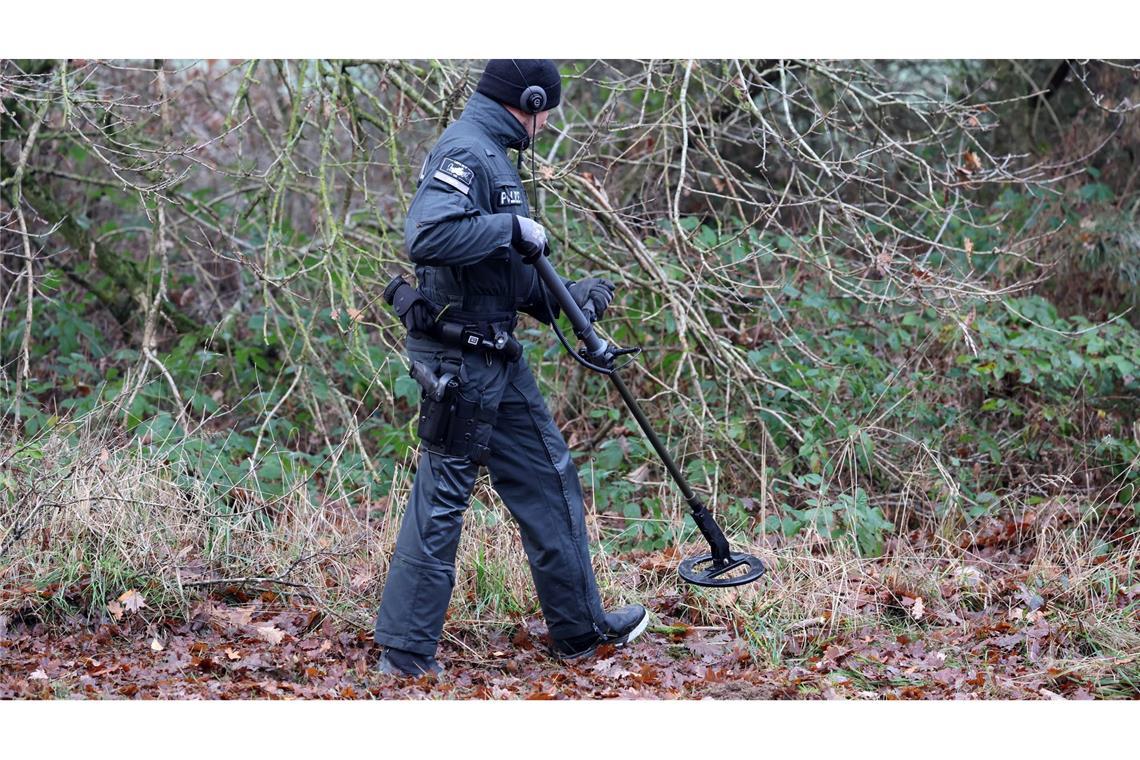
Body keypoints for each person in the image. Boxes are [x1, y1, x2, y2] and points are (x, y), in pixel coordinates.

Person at [374, 60, 648, 677]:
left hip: (495, 353)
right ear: (525, 100)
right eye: (546, 108)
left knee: (550, 476)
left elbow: (495, 272)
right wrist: (511, 226)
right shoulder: (467, 151)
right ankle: (406, 656)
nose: (548, 121)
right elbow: (430, 236)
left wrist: (563, 297)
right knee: (443, 495)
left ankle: (581, 631)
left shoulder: (494, 155)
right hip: (462, 359)